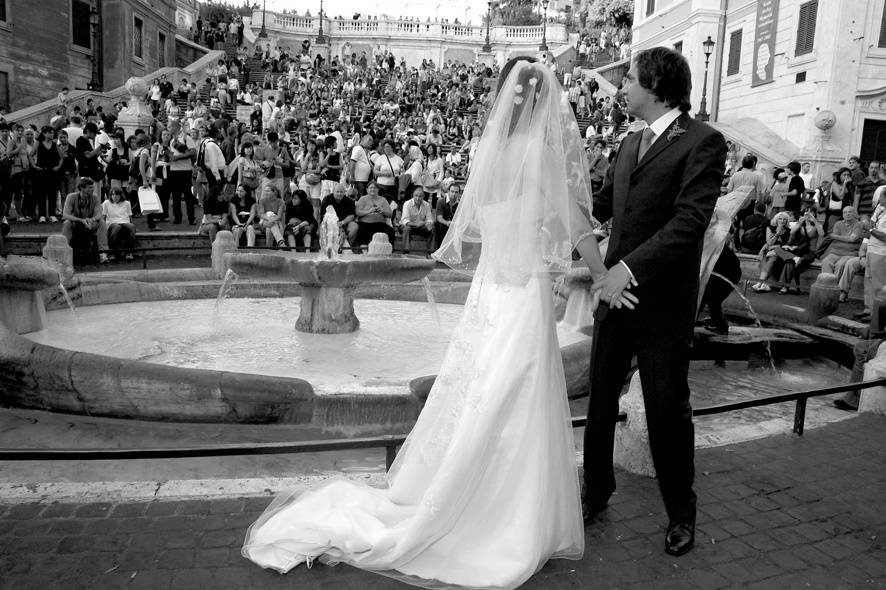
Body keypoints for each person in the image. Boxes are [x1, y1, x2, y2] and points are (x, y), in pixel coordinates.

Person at [243, 56, 625, 588]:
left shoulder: (488, 152)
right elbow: (575, 224)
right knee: (517, 394)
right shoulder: (538, 154)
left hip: (491, 290)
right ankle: (504, 514)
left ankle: (471, 491)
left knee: (481, 390)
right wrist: (605, 272)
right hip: (523, 294)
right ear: (542, 103)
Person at [585, 47, 727, 557]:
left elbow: (689, 223)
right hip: (614, 300)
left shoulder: (703, 141)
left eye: (629, 80)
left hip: (661, 303)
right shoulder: (628, 143)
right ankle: (594, 493)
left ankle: (680, 512)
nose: (621, 87)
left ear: (657, 85)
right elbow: (603, 207)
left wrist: (626, 267)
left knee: (667, 410)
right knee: (600, 404)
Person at [62, 177, 109, 264]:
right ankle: (64, 252)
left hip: (90, 223)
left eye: (93, 187)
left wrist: (92, 220)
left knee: (102, 223)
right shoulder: (71, 197)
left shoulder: (95, 198)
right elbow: (65, 215)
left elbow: (99, 214)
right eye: (90, 187)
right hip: (76, 223)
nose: (93, 189)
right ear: (82, 188)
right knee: (67, 223)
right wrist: (81, 220)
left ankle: (103, 253)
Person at [319, 182, 358, 252]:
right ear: (333, 191)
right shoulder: (327, 199)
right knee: (329, 228)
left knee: (354, 226)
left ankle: (346, 247)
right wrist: (340, 228)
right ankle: (335, 248)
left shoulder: (349, 201)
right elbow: (324, 216)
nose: (339, 194)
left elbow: (351, 216)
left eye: (341, 192)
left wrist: (342, 223)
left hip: (344, 223)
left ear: (344, 192)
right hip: (330, 223)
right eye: (337, 192)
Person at [354, 180, 394, 247]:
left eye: (375, 188)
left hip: (380, 223)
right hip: (365, 223)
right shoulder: (363, 199)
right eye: (371, 188)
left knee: (390, 231)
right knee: (362, 230)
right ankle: (363, 248)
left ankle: (389, 249)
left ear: (378, 190)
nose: (373, 189)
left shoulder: (383, 199)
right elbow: (357, 212)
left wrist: (383, 211)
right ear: (367, 190)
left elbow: (390, 214)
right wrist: (369, 211)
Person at [102, 186, 135, 261]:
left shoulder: (127, 203)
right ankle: (112, 252)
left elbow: (130, 216)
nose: (115, 197)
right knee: (116, 227)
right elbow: (103, 216)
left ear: (120, 195)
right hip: (112, 223)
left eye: (117, 195)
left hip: (124, 222)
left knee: (131, 227)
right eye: (113, 195)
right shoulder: (106, 203)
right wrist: (103, 228)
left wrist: (132, 224)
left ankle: (129, 252)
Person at [400, 187, 435, 255]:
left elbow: (429, 219)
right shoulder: (407, 204)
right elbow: (405, 221)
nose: (418, 198)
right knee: (407, 228)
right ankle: (405, 251)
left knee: (432, 229)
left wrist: (429, 224)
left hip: (421, 226)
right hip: (408, 226)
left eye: (420, 196)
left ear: (423, 196)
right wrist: (416, 224)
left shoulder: (427, 205)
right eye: (416, 195)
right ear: (413, 195)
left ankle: (431, 252)